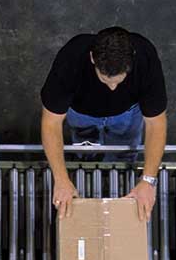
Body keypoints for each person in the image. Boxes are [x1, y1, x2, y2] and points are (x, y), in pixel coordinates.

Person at [40, 26, 168, 222]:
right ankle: (86, 161)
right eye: (105, 80)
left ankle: (121, 167)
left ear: (131, 59)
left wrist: (148, 181)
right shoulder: (72, 57)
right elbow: (51, 122)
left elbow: (155, 124)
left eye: (118, 81)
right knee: (84, 149)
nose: (112, 87)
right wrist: (61, 179)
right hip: (82, 114)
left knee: (124, 152)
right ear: (92, 58)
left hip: (127, 114)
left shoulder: (144, 57)